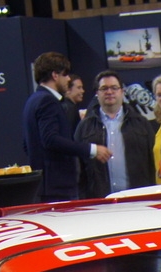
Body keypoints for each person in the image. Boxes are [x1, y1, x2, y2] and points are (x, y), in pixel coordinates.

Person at [23, 52, 109, 201]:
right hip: (56, 187)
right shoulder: (47, 101)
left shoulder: (32, 100)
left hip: (44, 185)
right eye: (65, 74)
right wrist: (92, 149)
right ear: (55, 75)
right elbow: (50, 139)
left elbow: (27, 145)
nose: (68, 79)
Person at [76, 71, 156, 197]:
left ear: (122, 92)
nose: (109, 92)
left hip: (137, 198)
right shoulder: (85, 127)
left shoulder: (141, 123)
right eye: (104, 88)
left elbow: (153, 162)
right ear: (97, 93)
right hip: (100, 200)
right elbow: (78, 167)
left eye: (114, 88)